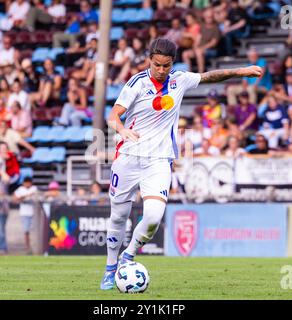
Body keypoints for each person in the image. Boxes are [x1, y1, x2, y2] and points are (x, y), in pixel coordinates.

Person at [100, 38, 262, 290]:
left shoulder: (180, 79)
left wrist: (240, 71)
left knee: (153, 216)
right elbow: (113, 116)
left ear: (172, 63)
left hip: (159, 160)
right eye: (157, 65)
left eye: (166, 65)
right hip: (128, 158)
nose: (161, 70)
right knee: (119, 217)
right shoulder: (137, 83)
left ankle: (127, 255)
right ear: (149, 60)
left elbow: (210, 76)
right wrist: (122, 130)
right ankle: (110, 270)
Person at [13, 176, 38, 254]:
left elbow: (37, 196)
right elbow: (15, 199)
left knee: (34, 231)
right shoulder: (20, 190)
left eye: (29, 182)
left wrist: (25, 197)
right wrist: (26, 196)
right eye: (26, 182)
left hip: (34, 213)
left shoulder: (34, 188)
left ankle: (35, 247)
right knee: (26, 231)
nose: (27, 184)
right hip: (24, 213)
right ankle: (28, 248)